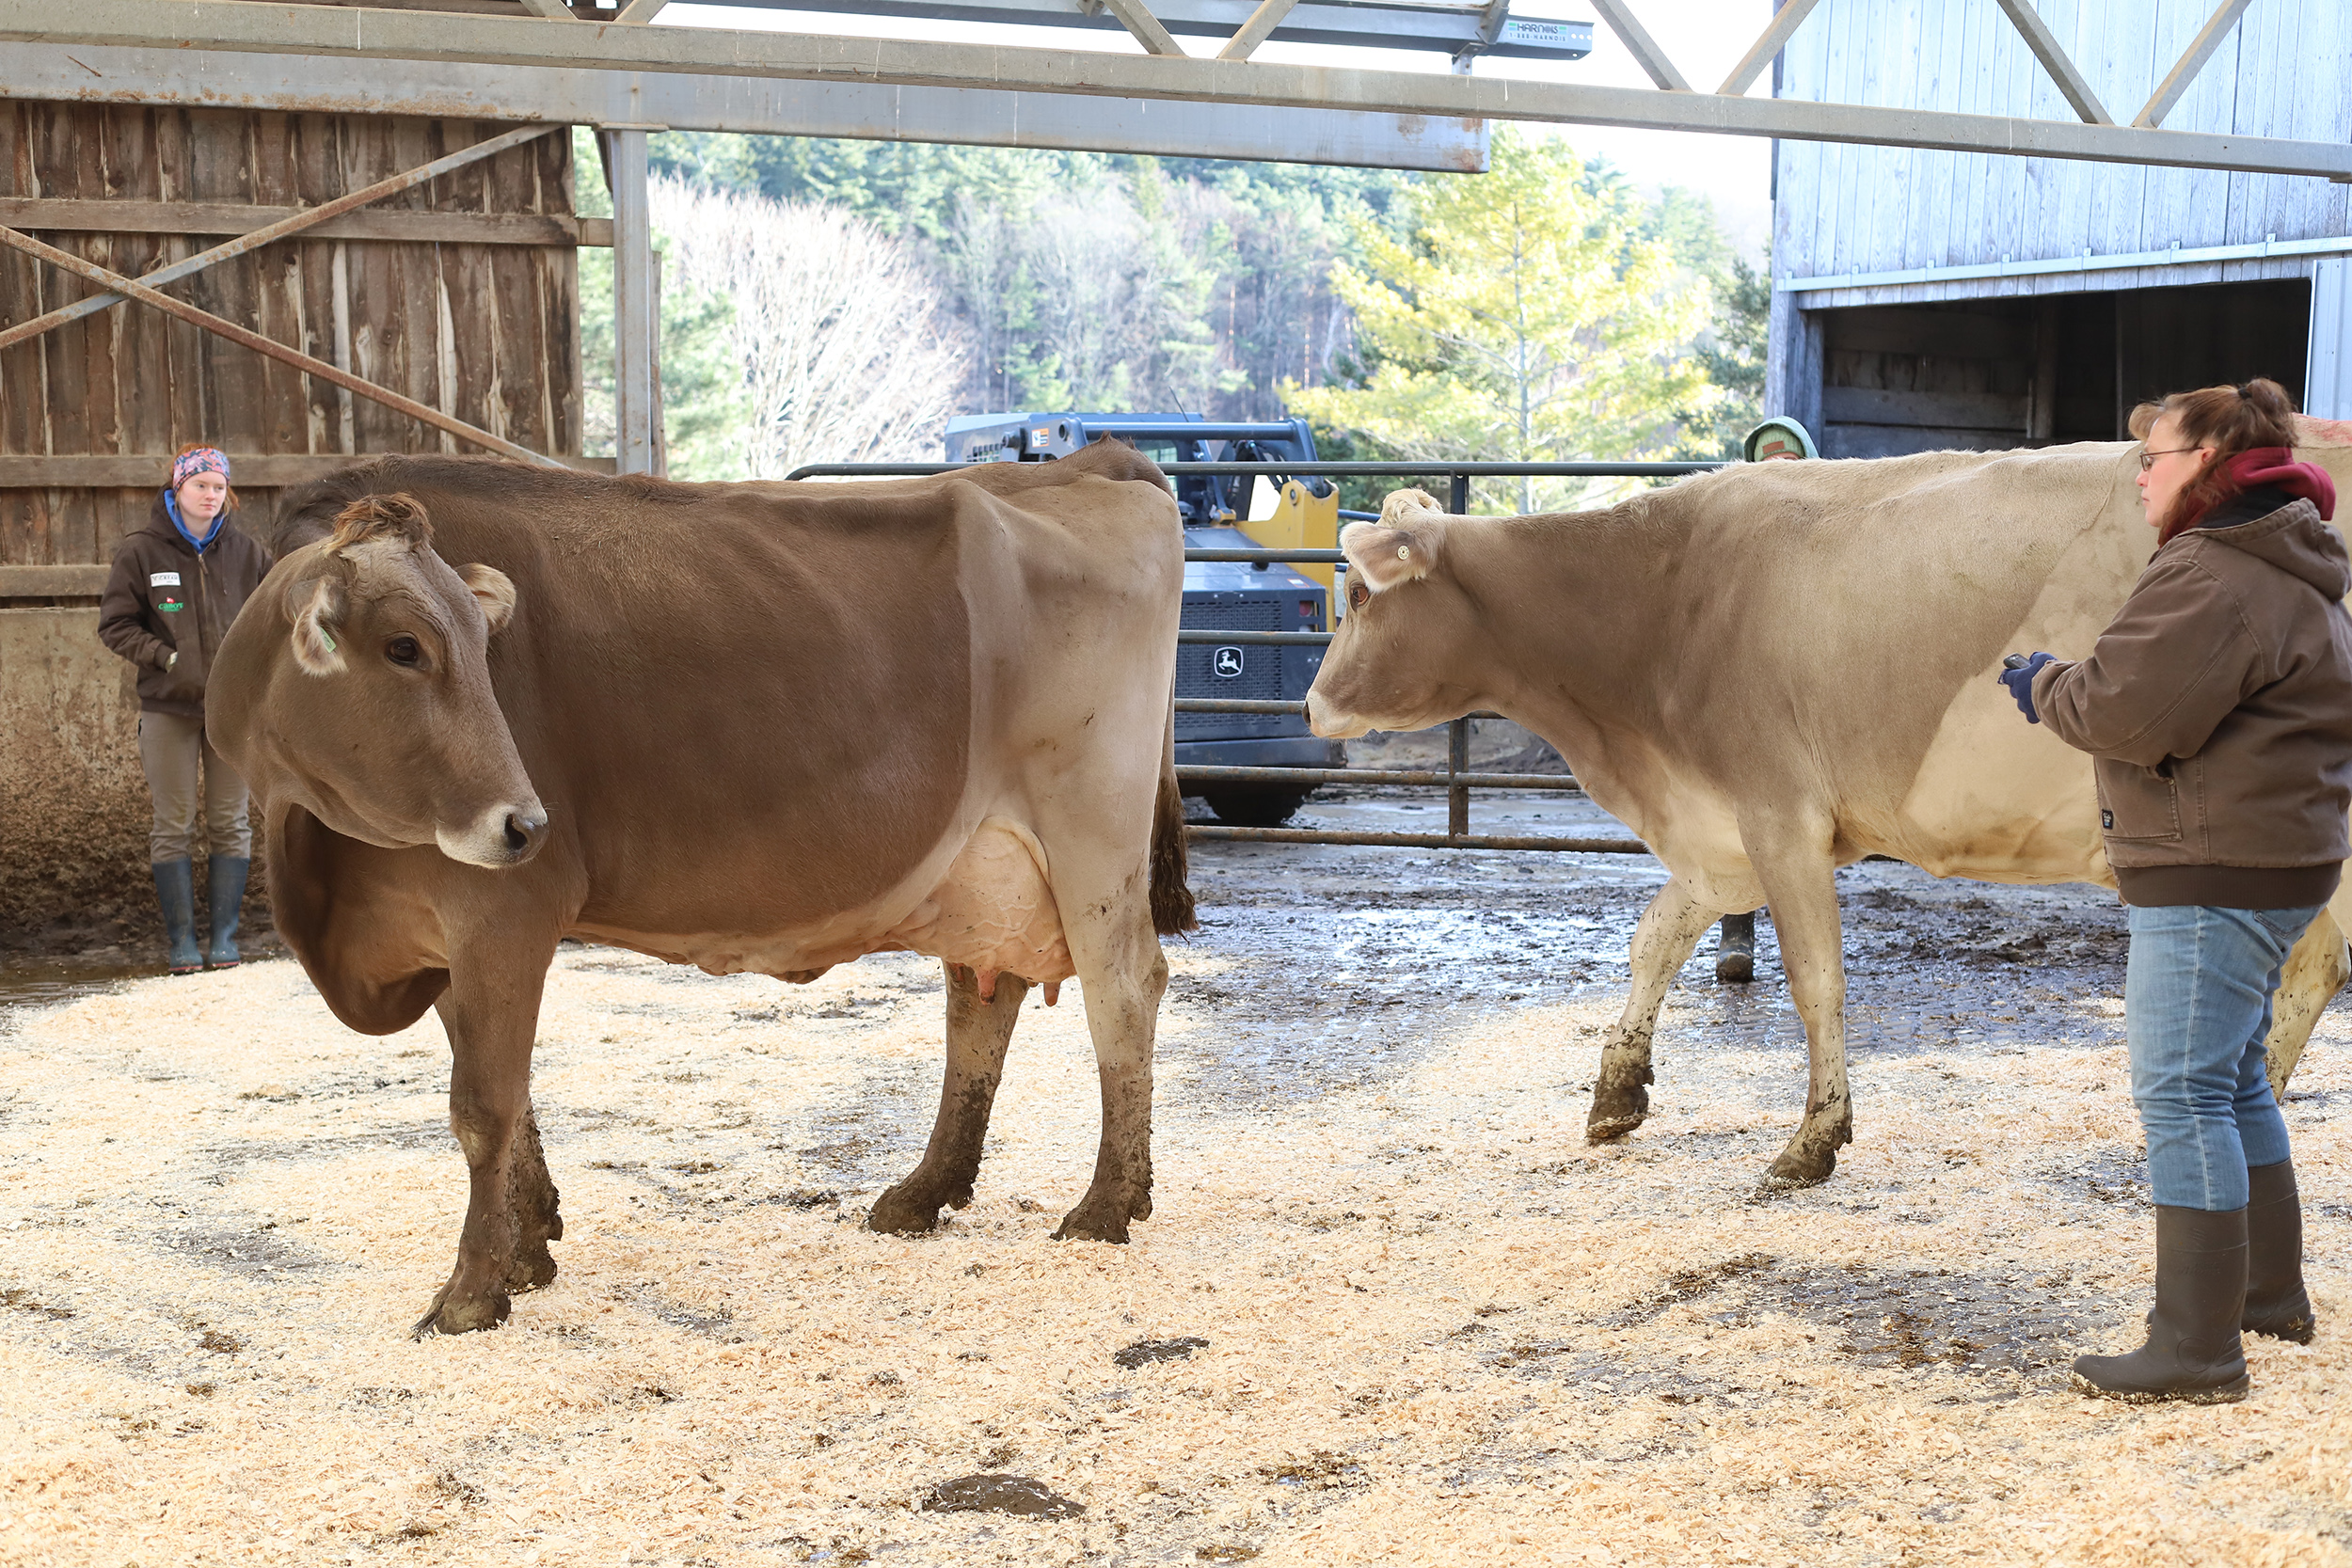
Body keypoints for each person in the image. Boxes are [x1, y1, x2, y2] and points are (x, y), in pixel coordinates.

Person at [1999, 378, 2350, 1402]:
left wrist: (2041, 684)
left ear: (2206, 460)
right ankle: (2266, 1295)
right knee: (2234, 1075)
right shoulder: (2288, 566)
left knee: (2182, 1088)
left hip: (2214, 864)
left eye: (2151, 457)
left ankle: (2194, 1347)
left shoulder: (2211, 571)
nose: (2139, 478)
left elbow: (2126, 712)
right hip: (2279, 853)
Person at [98, 447, 274, 974]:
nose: (211, 496)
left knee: (231, 821)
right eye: (201, 486)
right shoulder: (142, 551)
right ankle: (181, 942)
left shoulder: (247, 554)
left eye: (219, 488)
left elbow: (273, 619)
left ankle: (223, 939)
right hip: (167, 710)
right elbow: (115, 625)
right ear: (177, 489)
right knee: (172, 823)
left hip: (230, 715)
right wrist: (164, 656)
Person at [1713, 418, 1819, 982]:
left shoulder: (1834, 531)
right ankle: (1738, 933)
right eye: (1765, 470)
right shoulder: (1729, 537)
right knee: (1742, 813)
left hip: (1810, 697)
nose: (1777, 481)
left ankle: (1808, 948)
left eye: (1791, 468)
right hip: (1749, 694)